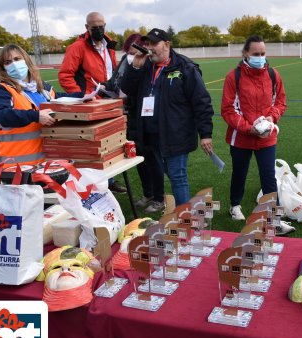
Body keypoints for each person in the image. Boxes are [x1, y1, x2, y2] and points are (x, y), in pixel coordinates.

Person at [121, 28, 214, 206]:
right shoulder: (145, 65)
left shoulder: (185, 67)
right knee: (166, 172)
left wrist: (205, 134)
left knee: (177, 176)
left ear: (167, 45)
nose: (150, 48)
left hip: (175, 133)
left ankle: (183, 218)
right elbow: (127, 89)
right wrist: (135, 68)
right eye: (147, 44)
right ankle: (173, 208)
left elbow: (201, 102)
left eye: (154, 43)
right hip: (149, 134)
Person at [221, 35, 294, 235]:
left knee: (269, 177)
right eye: (255, 54)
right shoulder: (233, 77)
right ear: (245, 53)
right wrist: (248, 128)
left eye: (263, 54)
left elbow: (280, 101)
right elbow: (228, 110)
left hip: (266, 137)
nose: (260, 57)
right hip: (241, 136)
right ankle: (235, 205)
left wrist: (272, 118)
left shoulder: (273, 75)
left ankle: (274, 220)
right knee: (240, 173)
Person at [58, 11, 126, 193]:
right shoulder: (78, 47)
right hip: (90, 104)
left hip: (108, 100)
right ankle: (94, 184)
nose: (99, 29)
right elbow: (65, 75)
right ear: (87, 27)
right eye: (94, 27)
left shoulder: (109, 45)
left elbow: (112, 72)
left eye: (101, 26)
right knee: (93, 146)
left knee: (110, 143)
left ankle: (109, 181)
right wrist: (82, 97)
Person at [107, 34, 164, 213]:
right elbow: (119, 83)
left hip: (146, 115)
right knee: (138, 156)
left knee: (153, 157)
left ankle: (159, 197)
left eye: (135, 48)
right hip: (129, 114)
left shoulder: (151, 63)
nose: (132, 52)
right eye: (129, 49)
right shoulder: (127, 60)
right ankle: (148, 193)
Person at [0, 44, 72, 165]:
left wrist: (88, 95)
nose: (14, 64)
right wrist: (36, 116)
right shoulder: (2, 90)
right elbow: (0, 114)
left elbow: (60, 98)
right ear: (3, 68)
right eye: (8, 62)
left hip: (47, 161)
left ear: (26, 60)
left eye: (17, 59)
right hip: (19, 167)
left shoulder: (41, 88)